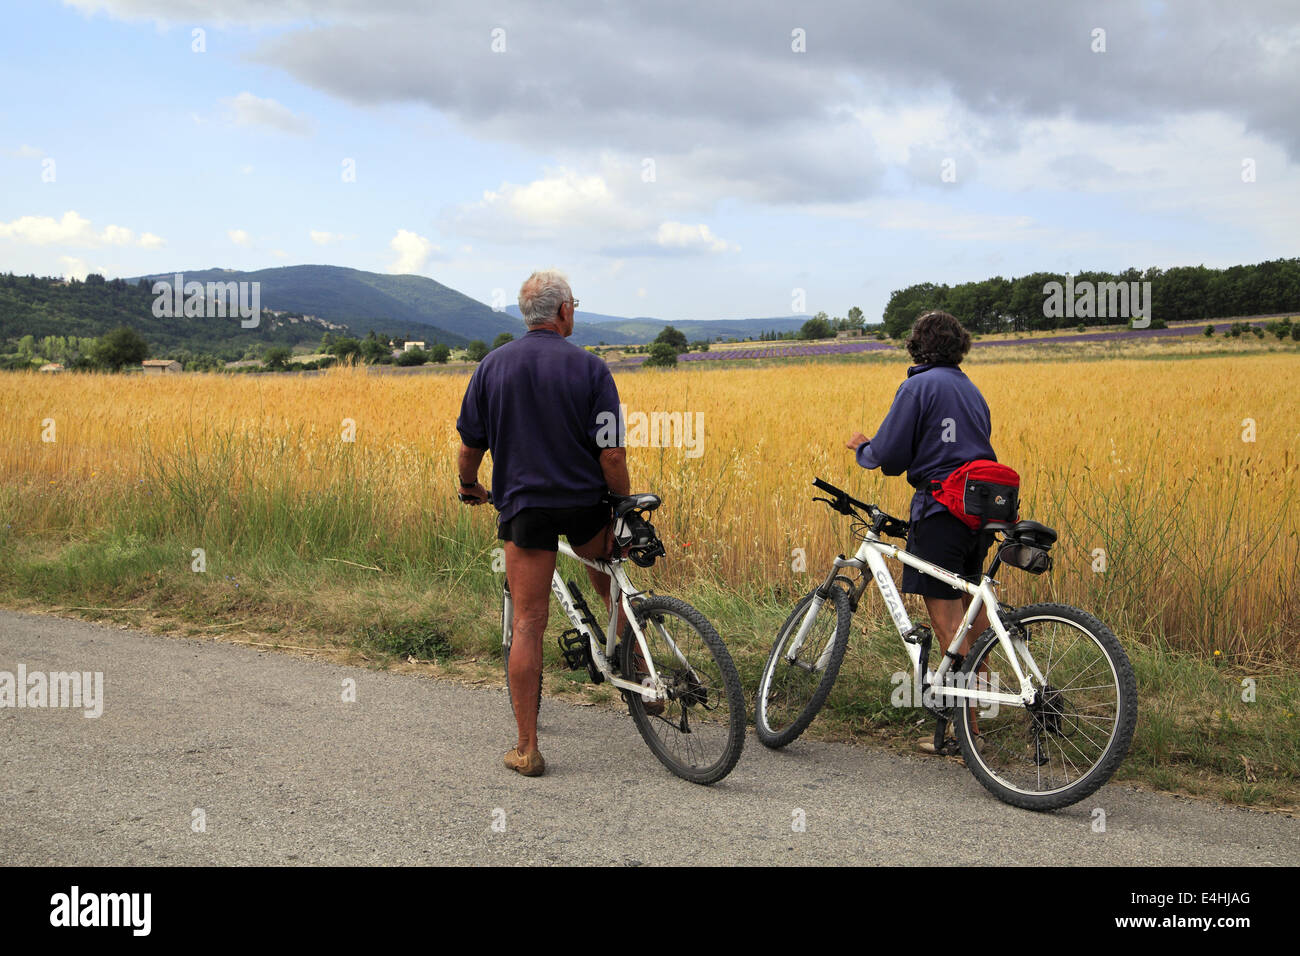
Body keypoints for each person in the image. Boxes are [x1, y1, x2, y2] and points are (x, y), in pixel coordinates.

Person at [456, 269, 629, 777]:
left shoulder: (492, 367)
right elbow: (612, 453)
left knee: (529, 624)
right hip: (586, 506)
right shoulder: (592, 369)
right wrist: (619, 505)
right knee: (613, 587)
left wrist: (470, 486)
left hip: (526, 508)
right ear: (564, 312)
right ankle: (644, 676)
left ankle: (527, 750)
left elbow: (470, 447)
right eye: (574, 304)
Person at [845, 310, 995, 753]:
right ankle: (976, 720)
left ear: (916, 346)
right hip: (977, 514)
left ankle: (967, 737)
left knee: (949, 625)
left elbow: (891, 456)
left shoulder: (917, 386)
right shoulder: (971, 390)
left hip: (941, 511)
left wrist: (864, 449)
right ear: (959, 346)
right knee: (976, 621)